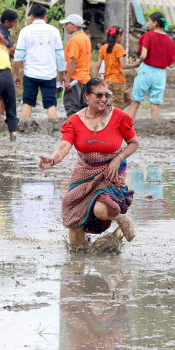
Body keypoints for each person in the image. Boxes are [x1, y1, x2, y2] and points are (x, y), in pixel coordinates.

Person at [38, 78, 139, 249]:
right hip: (84, 171)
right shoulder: (75, 121)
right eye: (99, 95)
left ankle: (120, 218)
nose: (103, 99)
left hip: (111, 172)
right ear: (86, 96)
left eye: (107, 95)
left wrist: (118, 159)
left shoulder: (119, 116)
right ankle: (79, 259)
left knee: (101, 209)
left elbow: (134, 143)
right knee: (74, 214)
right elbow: (64, 146)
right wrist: (53, 159)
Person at [13, 4, 65, 119]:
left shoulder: (25, 31)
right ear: (45, 17)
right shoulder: (54, 31)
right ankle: (53, 130)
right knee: (51, 103)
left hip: (30, 73)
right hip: (49, 74)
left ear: (31, 16)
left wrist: (15, 74)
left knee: (27, 102)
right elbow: (60, 55)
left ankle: (23, 129)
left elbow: (18, 56)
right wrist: (62, 73)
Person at [128, 11, 175, 119]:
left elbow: (143, 55)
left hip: (146, 70)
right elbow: (172, 65)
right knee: (155, 104)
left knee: (135, 102)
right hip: (160, 74)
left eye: (149, 21)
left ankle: (127, 127)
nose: (147, 23)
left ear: (155, 23)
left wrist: (137, 63)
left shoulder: (148, 35)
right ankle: (155, 127)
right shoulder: (170, 41)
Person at [93, 26, 138, 110]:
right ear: (119, 36)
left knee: (129, 100)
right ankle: (109, 115)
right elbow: (124, 65)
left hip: (109, 80)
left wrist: (94, 79)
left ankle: (110, 114)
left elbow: (98, 65)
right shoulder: (118, 48)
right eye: (122, 36)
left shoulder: (103, 48)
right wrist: (136, 65)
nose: (122, 38)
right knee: (117, 105)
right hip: (118, 80)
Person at [60, 13, 91, 117]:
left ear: (74, 26)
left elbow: (73, 60)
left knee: (72, 108)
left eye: (67, 24)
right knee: (83, 109)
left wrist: (67, 80)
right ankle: (84, 133)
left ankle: (74, 132)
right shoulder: (85, 38)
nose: (65, 27)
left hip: (75, 79)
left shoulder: (74, 40)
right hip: (84, 79)